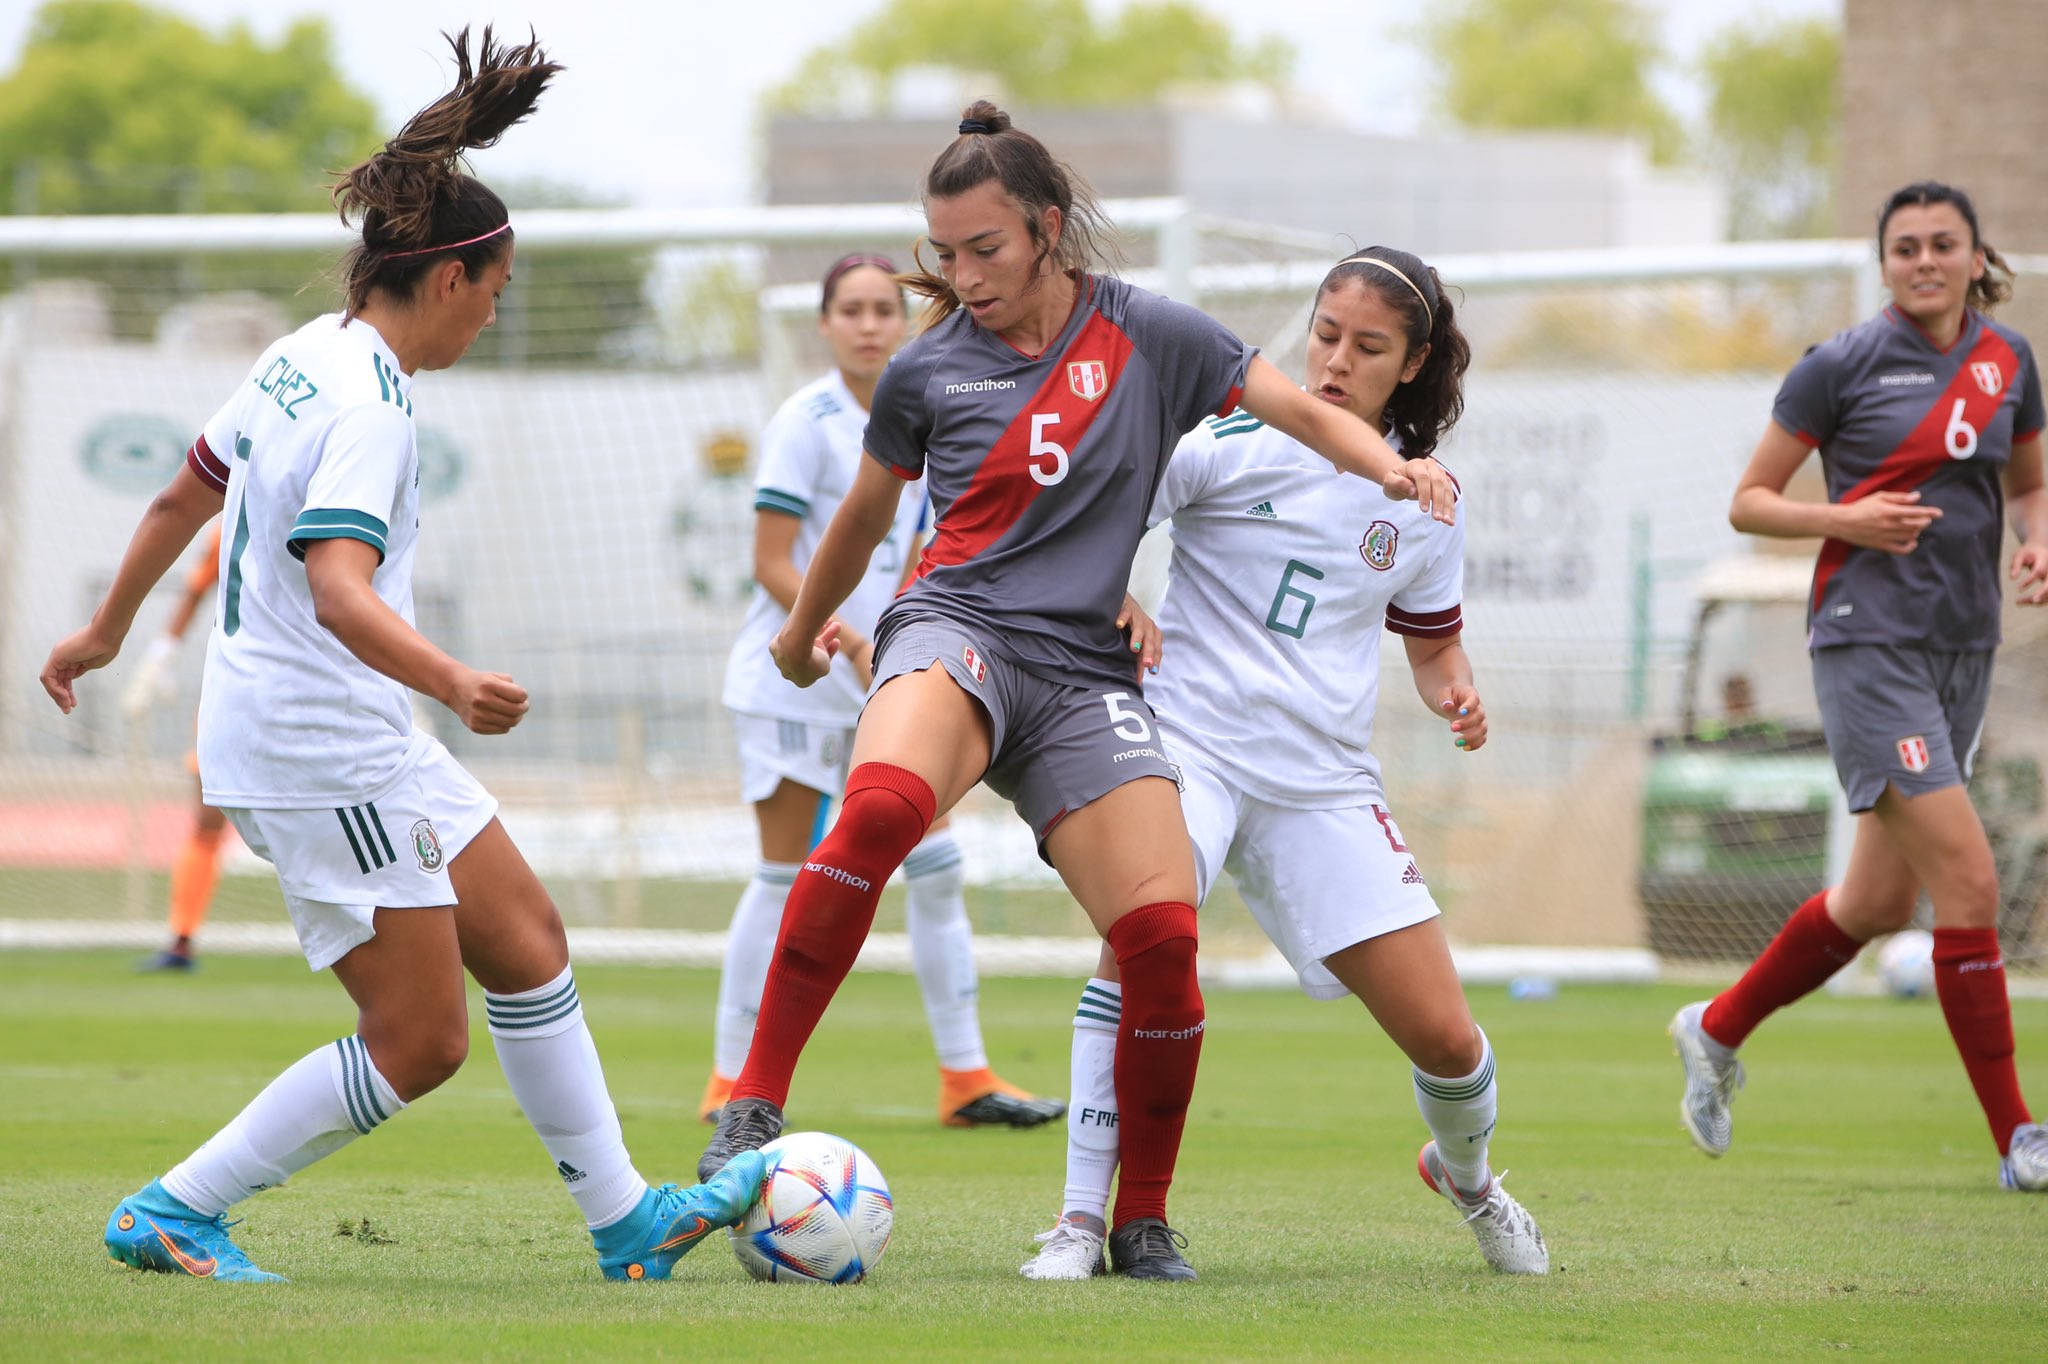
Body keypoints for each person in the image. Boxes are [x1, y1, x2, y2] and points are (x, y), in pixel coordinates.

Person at [39, 28, 763, 1284]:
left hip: (339, 732)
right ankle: (174, 1206)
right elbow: (336, 587)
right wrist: (453, 679)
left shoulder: (299, 356)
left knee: (529, 941)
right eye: (495, 291)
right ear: (447, 279)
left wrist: (105, 631)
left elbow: (179, 497)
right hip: (325, 751)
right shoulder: (371, 407)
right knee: (421, 1039)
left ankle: (627, 1220)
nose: (493, 314)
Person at [697, 102, 1456, 1281]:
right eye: (940, 254)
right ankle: (751, 1101)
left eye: (982, 250)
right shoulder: (926, 369)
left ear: (1047, 229)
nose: (959, 276)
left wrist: (1395, 470)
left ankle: (1139, 1220)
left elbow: (1301, 411)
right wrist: (803, 633)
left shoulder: (1149, 332)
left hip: (1081, 674)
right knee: (884, 810)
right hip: (958, 628)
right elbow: (856, 518)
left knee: (1158, 935)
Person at [1019, 246, 1547, 1280]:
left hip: (1321, 782)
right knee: (1134, 944)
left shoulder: (1425, 495)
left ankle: (1467, 1175)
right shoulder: (1228, 434)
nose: (1337, 359)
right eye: (1326, 333)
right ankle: (1080, 1219)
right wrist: (1113, 589)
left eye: (1368, 346)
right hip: (1190, 751)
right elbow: (1087, 511)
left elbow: (1430, 638)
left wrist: (1453, 689)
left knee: (1446, 1038)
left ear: (1414, 361)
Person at [1670, 180, 2048, 1192]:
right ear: (1882, 263)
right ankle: (2019, 1136)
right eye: (1903, 246)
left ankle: (1712, 1029)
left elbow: (2025, 483)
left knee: (1876, 898)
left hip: (1960, 647)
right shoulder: (1838, 364)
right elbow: (1747, 502)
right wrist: (1845, 521)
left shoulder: (2006, 360)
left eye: (1942, 244)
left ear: (1976, 258)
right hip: (1862, 642)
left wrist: (2035, 542)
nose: (1922, 260)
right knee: (1967, 880)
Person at [709, 251, 1063, 1130]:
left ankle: (966, 1077)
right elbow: (768, 562)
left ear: (904, 324)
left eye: (883, 309)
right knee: (782, 870)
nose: (870, 324)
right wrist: (840, 634)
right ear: (825, 325)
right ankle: (729, 1081)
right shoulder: (805, 420)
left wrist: (907, 633)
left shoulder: (929, 407)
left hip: (884, 675)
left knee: (937, 868)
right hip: (798, 678)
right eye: (852, 310)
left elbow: (923, 546)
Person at [123, 523, 229, 972]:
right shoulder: (230, 526)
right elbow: (194, 590)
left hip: (305, 693)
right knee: (207, 819)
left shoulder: (332, 511)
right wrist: (158, 659)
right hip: (234, 691)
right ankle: (181, 940)